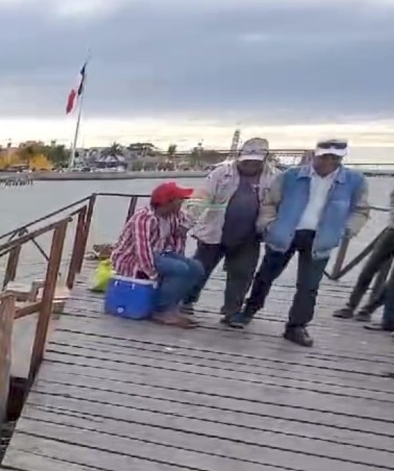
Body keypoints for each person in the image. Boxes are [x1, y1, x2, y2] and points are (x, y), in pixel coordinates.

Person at [230, 139, 370, 346]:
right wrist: (268, 226)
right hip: (285, 233)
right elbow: (270, 203)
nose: (328, 161)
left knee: (309, 285)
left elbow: (360, 210)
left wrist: (346, 230)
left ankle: (296, 326)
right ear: (315, 155)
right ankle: (248, 311)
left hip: (321, 238)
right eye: (324, 156)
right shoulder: (290, 176)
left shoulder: (355, 181)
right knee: (265, 276)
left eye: (334, 157)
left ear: (341, 158)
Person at [183, 137, 274, 324]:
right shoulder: (220, 173)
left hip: (250, 235)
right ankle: (185, 301)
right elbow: (202, 196)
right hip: (214, 230)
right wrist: (187, 219)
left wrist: (271, 228)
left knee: (242, 273)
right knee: (199, 268)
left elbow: (275, 205)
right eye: (247, 159)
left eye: (255, 161)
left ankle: (232, 312)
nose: (250, 164)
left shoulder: (274, 177)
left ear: (264, 159)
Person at [110, 181, 204, 327]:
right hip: (132, 256)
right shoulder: (145, 217)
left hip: (159, 252)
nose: (183, 202)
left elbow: (177, 241)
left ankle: (172, 306)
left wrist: (180, 256)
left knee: (196, 267)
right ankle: (161, 310)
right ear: (169, 202)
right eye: (180, 199)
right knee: (179, 269)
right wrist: (152, 274)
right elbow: (142, 249)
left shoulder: (174, 215)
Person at [334, 185, 394, 320]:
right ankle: (351, 306)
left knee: (392, 282)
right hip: (391, 231)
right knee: (369, 268)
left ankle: (369, 309)